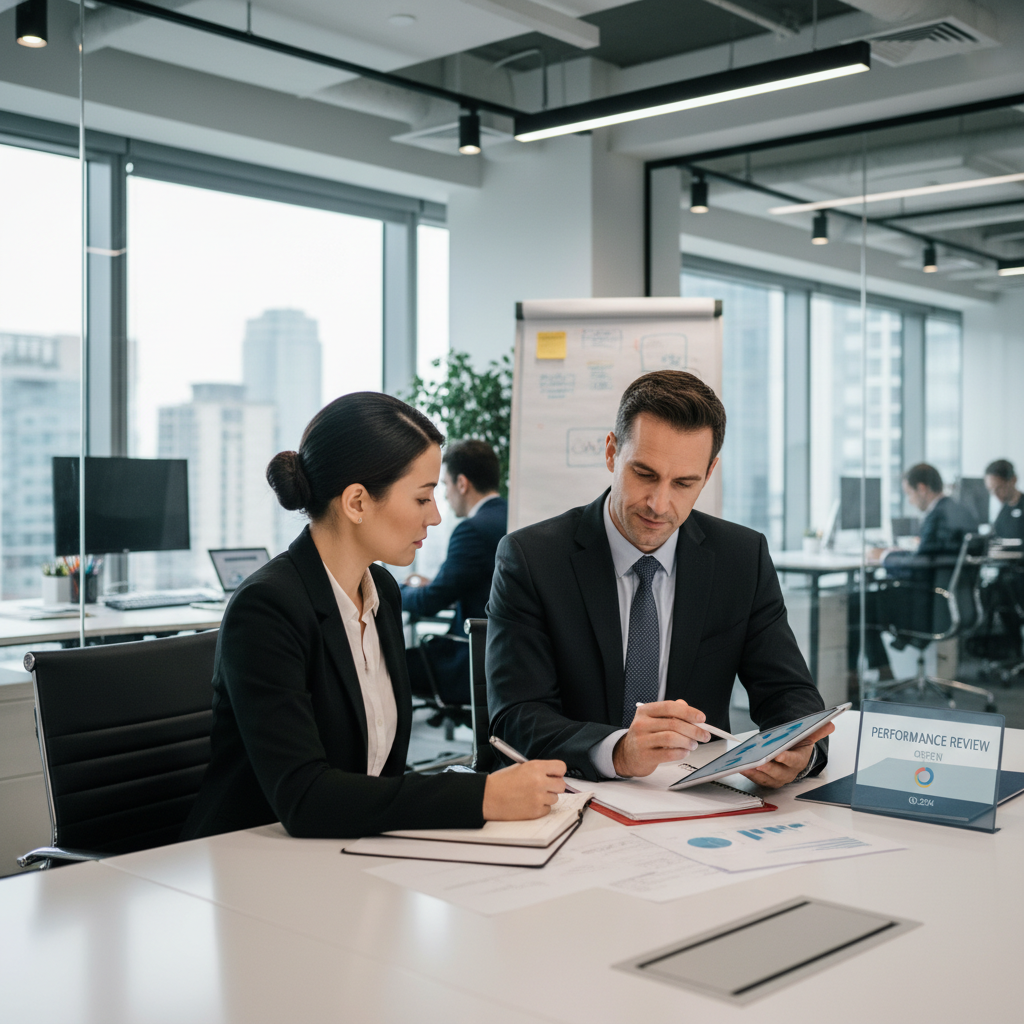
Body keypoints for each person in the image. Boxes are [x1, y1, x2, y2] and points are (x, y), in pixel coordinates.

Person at [181, 392, 564, 841]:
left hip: (349, 852)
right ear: (357, 502)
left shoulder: (381, 591)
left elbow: (381, 777)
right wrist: (481, 797)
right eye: (422, 498)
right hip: (251, 864)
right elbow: (304, 797)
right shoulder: (267, 609)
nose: (437, 516)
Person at [486, 370, 833, 787]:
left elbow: (787, 692)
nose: (659, 503)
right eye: (645, 474)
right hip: (573, 794)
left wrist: (801, 751)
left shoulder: (741, 558)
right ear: (612, 453)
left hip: (698, 801)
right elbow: (516, 716)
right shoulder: (532, 559)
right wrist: (618, 750)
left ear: (708, 473)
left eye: (684, 482)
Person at [401, 440, 507, 705]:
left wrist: (398, 591)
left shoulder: (472, 530)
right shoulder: (511, 517)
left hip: (471, 660)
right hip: (504, 657)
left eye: (445, 485)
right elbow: (472, 583)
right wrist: (434, 584)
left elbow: (429, 601)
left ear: (462, 483)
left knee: (391, 665)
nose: (446, 496)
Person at [985, 459, 1024, 542]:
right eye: (991, 490)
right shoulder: (1003, 511)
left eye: (999, 488)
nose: (995, 494)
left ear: (1013, 480)